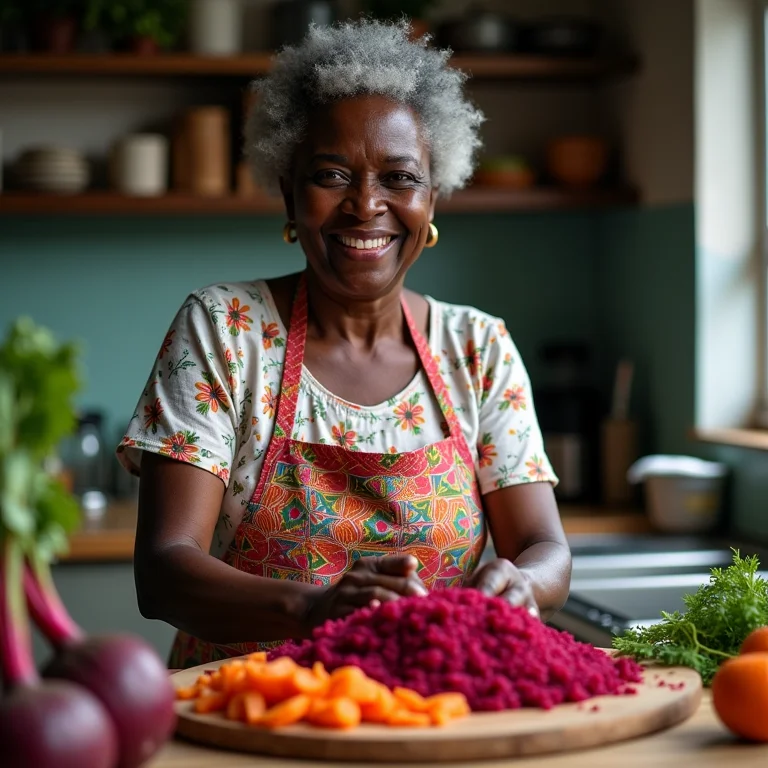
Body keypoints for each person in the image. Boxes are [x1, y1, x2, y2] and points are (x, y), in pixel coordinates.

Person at [118, 19, 571, 669]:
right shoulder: (225, 332)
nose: (365, 205)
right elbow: (162, 572)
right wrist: (311, 609)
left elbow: (544, 547)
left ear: (432, 198)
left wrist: (523, 583)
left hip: (437, 711)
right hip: (247, 716)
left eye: (399, 178)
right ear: (288, 192)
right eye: (331, 175)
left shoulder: (477, 348)